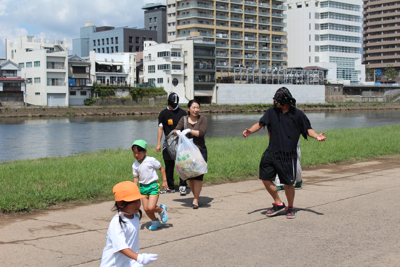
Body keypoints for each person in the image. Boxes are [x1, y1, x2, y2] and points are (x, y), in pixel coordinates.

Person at [243, 87, 326, 219]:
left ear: (285, 100)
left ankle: (290, 207)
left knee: (288, 183)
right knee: (265, 178)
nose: (275, 102)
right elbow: (260, 123)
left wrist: (316, 136)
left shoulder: (298, 114)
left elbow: (308, 129)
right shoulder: (271, 112)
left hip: (288, 154)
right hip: (271, 152)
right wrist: (250, 131)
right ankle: (278, 203)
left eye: (277, 100)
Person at [100, 181, 158, 266]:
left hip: (130, 262)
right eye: (133, 201)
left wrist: (135, 258)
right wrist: (139, 257)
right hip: (114, 264)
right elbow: (120, 247)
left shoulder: (135, 216)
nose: (138, 204)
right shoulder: (117, 222)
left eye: (138, 200)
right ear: (120, 204)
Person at [174, 99, 208, 209]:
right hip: (187, 154)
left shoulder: (203, 119)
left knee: (198, 175)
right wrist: (178, 132)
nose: (196, 110)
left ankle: (196, 199)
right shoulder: (183, 119)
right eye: (194, 107)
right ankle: (195, 196)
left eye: (198, 107)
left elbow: (201, 133)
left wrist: (189, 131)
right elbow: (175, 130)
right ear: (188, 109)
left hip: (200, 151)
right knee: (190, 176)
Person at [132, 140, 169, 230]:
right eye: (134, 153)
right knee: (146, 209)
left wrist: (164, 181)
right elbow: (136, 178)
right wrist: (134, 187)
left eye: (139, 153)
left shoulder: (151, 160)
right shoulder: (135, 165)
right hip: (143, 188)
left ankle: (161, 209)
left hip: (153, 186)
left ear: (145, 151)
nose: (136, 155)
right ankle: (155, 221)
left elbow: (161, 168)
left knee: (151, 207)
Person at [156, 93, 188, 195]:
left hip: (181, 143)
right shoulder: (163, 113)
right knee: (168, 165)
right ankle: (170, 186)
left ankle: (183, 185)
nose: (173, 106)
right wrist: (158, 143)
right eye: (172, 104)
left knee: (181, 164)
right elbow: (160, 128)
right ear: (168, 103)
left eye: (175, 104)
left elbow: (187, 128)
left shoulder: (183, 113)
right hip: (168, 143)